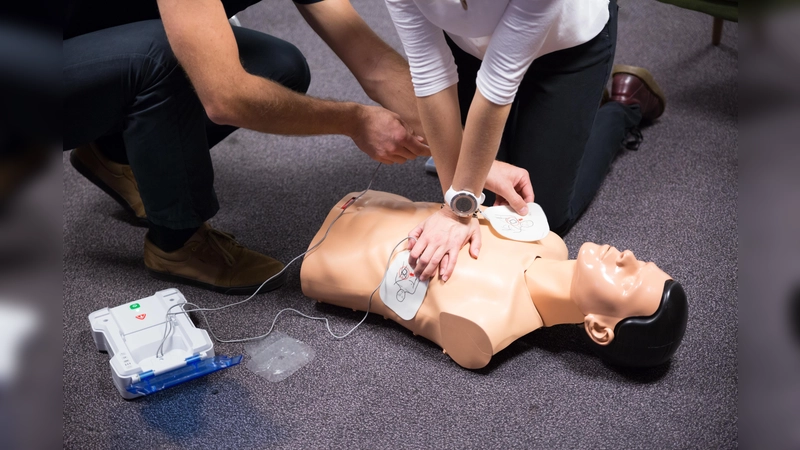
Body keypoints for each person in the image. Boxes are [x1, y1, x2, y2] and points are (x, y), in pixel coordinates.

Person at [63, 0, 434, 294]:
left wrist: (464, 156)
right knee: (168, 60)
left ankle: (114, 153)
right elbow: (226, 98)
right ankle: (177, 245)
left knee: (279, 67)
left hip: (94, 35)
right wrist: (352, 121)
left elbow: (373, 61)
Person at [383, 0, 667, 285]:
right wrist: (455, 201)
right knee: (493, 204)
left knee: (542, 214)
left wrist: (457, 213)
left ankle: (622, 107)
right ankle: (577, 113)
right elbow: (429, 72)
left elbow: (498, 82)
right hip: (469, 48)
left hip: (568, 49)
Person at [300, 191, 688, 369]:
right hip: (370, 199)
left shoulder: (487, 326)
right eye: (643, 262)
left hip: (326, 258)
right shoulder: (547, 241)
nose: (630, 257)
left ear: (600, 331)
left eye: (632, 280)